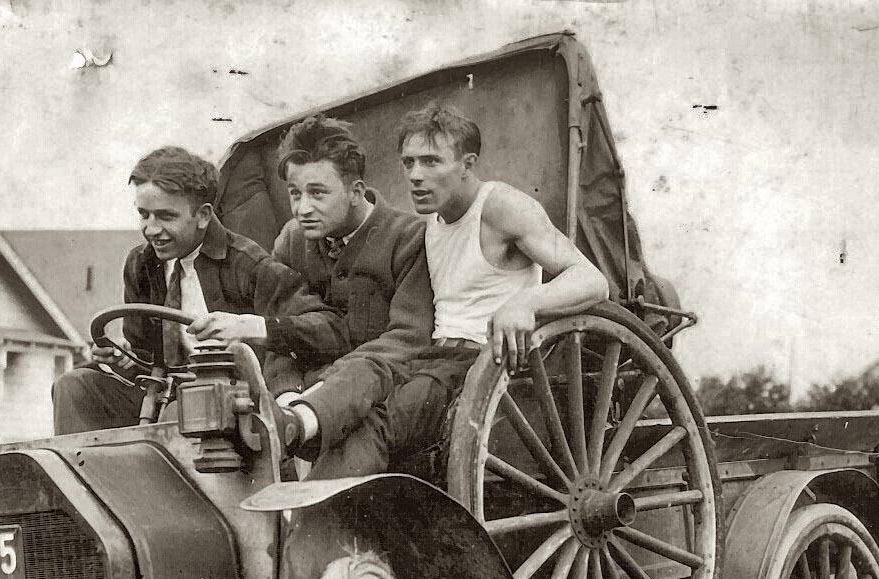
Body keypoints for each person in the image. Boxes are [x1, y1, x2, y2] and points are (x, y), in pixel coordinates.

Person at [51, 146, 347, 443]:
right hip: (164, 397)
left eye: (166, 216)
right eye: (144, 215)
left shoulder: (246, 263)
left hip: (233, 405)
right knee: (74, 386)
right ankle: (83, 485)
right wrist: (121, 357)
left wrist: (250, 326)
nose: (152, 229)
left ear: (203, 215)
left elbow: (330, 329)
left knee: (179, 414)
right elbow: (144, 356)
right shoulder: (141, 264)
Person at [380, 103, 611, 467]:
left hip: (485, 368)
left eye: (430, 161)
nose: (415, 175)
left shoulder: (501, 206)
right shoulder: (432, 221)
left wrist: (526, 303)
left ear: (467, 165)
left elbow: (593, 281)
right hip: (435, 362)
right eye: (408, 162)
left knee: (381, 429)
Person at [211, 114, 432, 477]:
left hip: (382, 388)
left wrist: (327, 390)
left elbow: (407, 340)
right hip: (303, 400)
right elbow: (284, 337)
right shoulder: (292, 240)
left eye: (318, 193)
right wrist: (284, 397)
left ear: (356, 191)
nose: (302, 208)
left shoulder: (407, 238)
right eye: (295, 194)